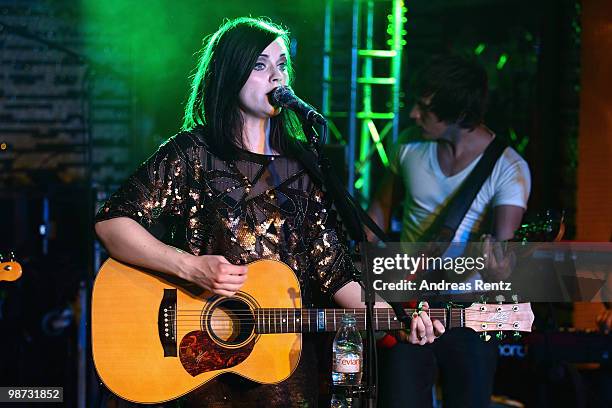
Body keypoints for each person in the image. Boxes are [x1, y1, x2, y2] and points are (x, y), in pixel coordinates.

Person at [94, 17, 444, 407]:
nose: (277, 75)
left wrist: (397, 317)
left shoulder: (304, 165)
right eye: (261, 65)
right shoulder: (191, 153)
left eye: (282, 64)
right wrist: (189, 268)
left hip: (284, 369)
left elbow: (334, 271)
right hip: (199, 364)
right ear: (231, 73)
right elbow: (112, 223)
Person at [368, 54, 531, 408]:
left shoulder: (508, 168)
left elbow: (502, 254)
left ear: (460, 115)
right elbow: (379, 211)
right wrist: (367, 268)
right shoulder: (409, 145)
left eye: (425, 108)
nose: (413, 114)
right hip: (408, 305)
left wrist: (499, 270)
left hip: (469, 311)